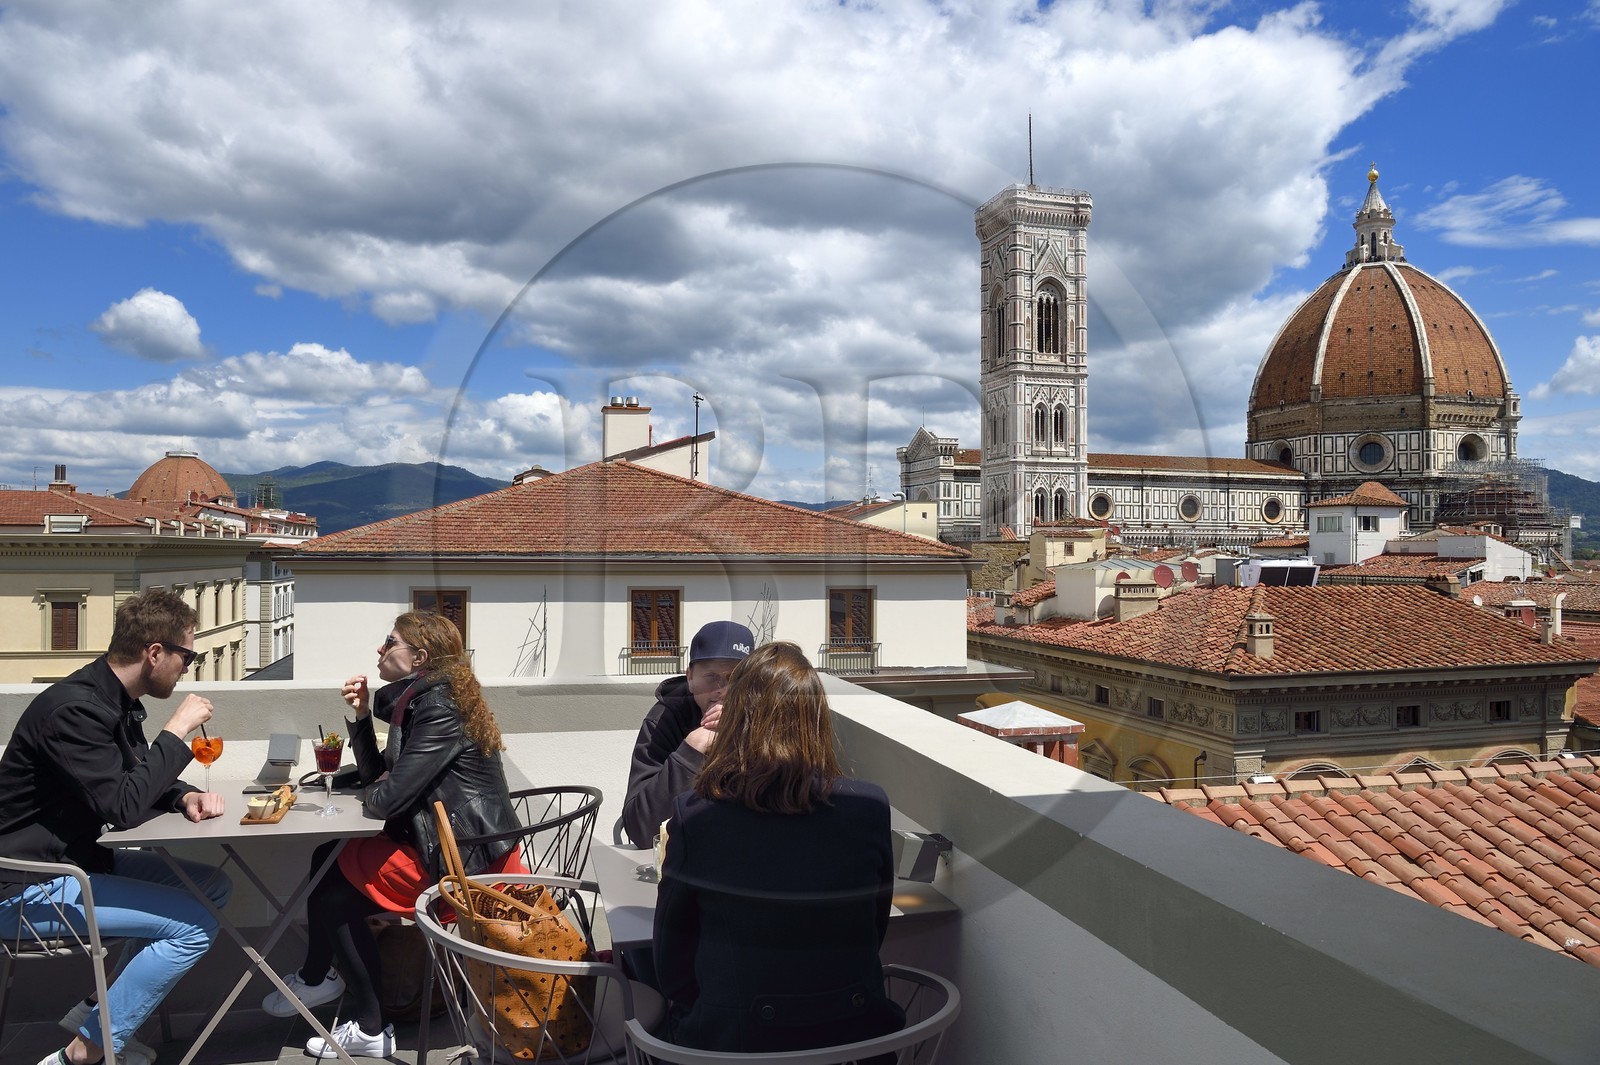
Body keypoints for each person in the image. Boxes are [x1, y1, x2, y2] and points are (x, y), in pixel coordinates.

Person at [262, 610, 524, 1060]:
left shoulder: (438, 708)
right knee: (330, 854)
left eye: (389, 642)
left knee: (334, 893)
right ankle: (317, 975)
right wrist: (363, 716)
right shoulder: (421, 702)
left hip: (470, 867)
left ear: (418, 656)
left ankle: (366, 1023)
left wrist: (384, 787)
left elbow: (385, 799)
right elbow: (379, 779)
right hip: (449, 847)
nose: (379, 650)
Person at [0, 589, 232, 1065]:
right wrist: (177, 730)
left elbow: (134, 775)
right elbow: (124, 807)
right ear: (154, 653)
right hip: (24, 888)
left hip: (75, 864)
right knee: (193, 924)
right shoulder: (75, 710)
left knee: (212, 886)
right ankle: (82, 1054)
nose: (189, 665)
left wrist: (183, 795)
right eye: (187, 654)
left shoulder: (115, 701)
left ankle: (93, 1012)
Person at [652, 642, 904, 1054]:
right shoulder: (870, 807)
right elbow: (872, 929)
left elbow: (672, 963)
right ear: (817, 718)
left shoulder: (696, 817)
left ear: (737, 719)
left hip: (736, 1046)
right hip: (854, 1041)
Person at [621, 620, 753, 849]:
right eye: (711, 677)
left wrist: (741, 729)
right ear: (690, 677)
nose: (722, 689)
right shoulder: (665, 718)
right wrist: (692, 749)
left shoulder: (767, 716)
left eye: (735, 678)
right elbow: (641, 830)